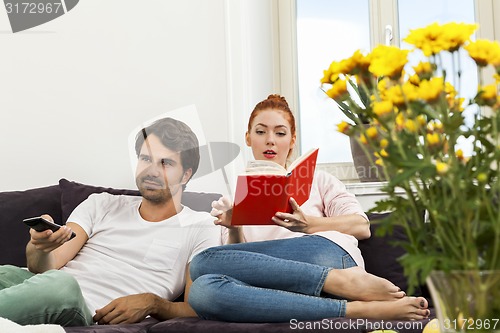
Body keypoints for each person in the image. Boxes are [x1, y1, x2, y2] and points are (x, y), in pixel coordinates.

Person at [188, 94, 430, 322]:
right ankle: (353, 306)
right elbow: (237, 265)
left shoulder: (319, 180)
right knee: (202, 290)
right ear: (248, 138)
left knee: (202, 263)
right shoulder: (233, 201)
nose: (270, 140)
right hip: (277, 289)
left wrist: (310, 225)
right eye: (260, 132)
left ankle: (339, 280)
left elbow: (362, 226)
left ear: (292, 140)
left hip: (327, 257)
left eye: (280, 133)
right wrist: (235, 227)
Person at [0, 117, 223, 326]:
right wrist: (40, 247)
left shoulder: (202, 226)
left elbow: (199, 307)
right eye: (146, 159)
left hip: (84, 307)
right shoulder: (102, 203)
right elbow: (45, 268)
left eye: (165, 163)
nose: (152, 171)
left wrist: (153, 302)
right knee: (7, 272)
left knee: (63, 285)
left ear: (186, 175)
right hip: (43, 289)